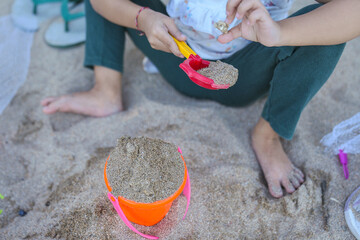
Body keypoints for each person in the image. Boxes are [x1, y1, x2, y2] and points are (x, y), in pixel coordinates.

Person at [40, 0, 359, 198]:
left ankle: (268, 133)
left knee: (324, 29)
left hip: (244, 74)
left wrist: (279, 32)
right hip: (175, 53)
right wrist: (143, 18)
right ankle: (105, 89)